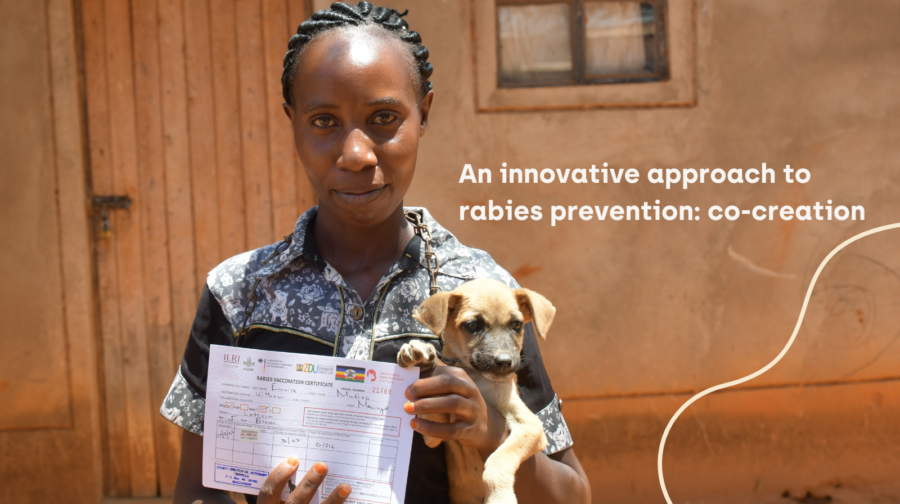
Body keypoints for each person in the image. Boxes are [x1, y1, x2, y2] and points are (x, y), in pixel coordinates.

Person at [160, 2, 591, 503]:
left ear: (423, 114)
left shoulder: (478, 293)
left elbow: (572, 494)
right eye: (323, 121)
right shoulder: (239, 293)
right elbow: (197, 489)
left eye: (384, 117)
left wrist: (489, 431)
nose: (357, 154)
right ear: (292, 123)